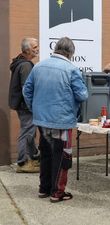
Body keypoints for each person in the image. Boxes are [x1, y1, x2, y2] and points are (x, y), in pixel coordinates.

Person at [23, 37, 88, 202]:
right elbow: (82, 95)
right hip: (62, 122)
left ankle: (43, 189)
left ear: (56, 49)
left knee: (45, 154)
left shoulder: (38, 66)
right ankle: (57, 192)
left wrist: (34, 108)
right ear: (71, 53)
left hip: (41, 120)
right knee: (62, 157)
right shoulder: (71, 69)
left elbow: (27, 90)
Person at [9, 37, 40, 173]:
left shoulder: (20, 63)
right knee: (27, 132)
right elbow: (27, 89)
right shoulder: (26, 65)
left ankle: (34, 157)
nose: (37, 49)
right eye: (34, 47)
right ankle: (22, 163)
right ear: (27, 50)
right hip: (26, 106)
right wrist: (31, 106)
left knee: (30, 132)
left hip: (22, 105)